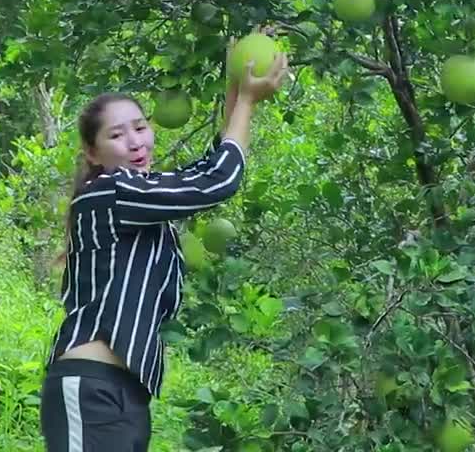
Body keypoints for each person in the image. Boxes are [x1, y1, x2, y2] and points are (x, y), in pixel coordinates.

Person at [39, 35, 290, 452]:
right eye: (118, 135)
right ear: (93, 153)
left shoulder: (138, 195)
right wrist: (245, 101)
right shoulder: (112, 191)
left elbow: (205, 172)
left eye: (141, 127)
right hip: (90, 386)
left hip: (125, 393)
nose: (136, 142)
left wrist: (238, 90)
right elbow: (218, 183)